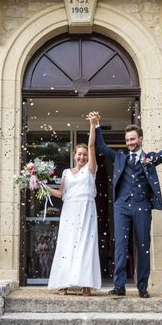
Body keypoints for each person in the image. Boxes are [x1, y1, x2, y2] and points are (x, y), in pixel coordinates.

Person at [94, 112, 162, 298]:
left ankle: (142, 287)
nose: (130, 142)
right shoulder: (120, 157)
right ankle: (119, 286)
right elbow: (101, 147)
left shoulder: (149, 158)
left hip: (142, 206)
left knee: (143, 246)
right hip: (121, 206)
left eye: (133, 139)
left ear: (140, 139)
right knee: (120, 246)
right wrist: (97, 126)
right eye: (127, 140)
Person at [47, 113, 100, 296]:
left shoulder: (91, 170)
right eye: (79, 154)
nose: (82, 157)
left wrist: (93, 125)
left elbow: (92, 145)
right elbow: (61, 193)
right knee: (67, 243)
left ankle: (86, 284)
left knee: (85, 244)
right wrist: (43, 187)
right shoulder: (66, 172)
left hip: (86, 209)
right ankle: (64, 283)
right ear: (74, 155)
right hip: (69, 210)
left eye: (85, 154)